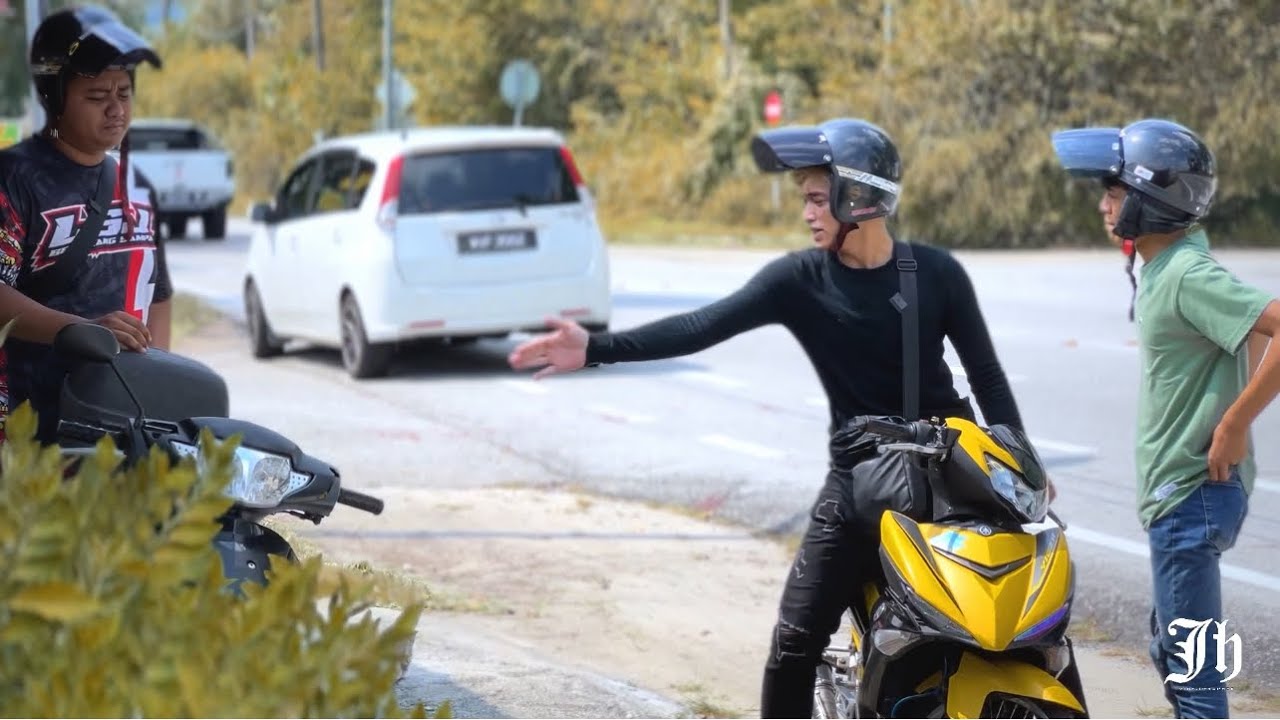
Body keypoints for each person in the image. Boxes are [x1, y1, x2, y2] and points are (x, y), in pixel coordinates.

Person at [508, 117, 1033, 718]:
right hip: (860, 487)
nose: (806, 213)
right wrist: (594, 348)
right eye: (804, 199)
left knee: (1013, 624)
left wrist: (1020, 462)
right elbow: (700, 326)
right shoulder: (800, 280)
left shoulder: (936, 273)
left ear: (859, 196)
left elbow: (987, 377)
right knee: (794, 645)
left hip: (951, 476)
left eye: (817, 198)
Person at [1052, 118, 1280, 719]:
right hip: (1181, 499)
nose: (1104, 206)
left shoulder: (1185, 274)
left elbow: (1277, 325)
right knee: (1170, 648)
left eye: (1114, 193)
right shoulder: (1165, 265)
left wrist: (1233, 425)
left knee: (1195, 683)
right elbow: (1252, 331)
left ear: (1150, 200)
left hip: (1189, 498)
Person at [0, 5, 169, 445]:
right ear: (55, 98)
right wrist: (79, 330)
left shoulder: (138, 187)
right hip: (29, 437)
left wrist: (161, 392)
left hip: (125, 434)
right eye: (97, 96)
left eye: (124, 93)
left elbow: (159, 295)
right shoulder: (13, 179)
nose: (116, 109)